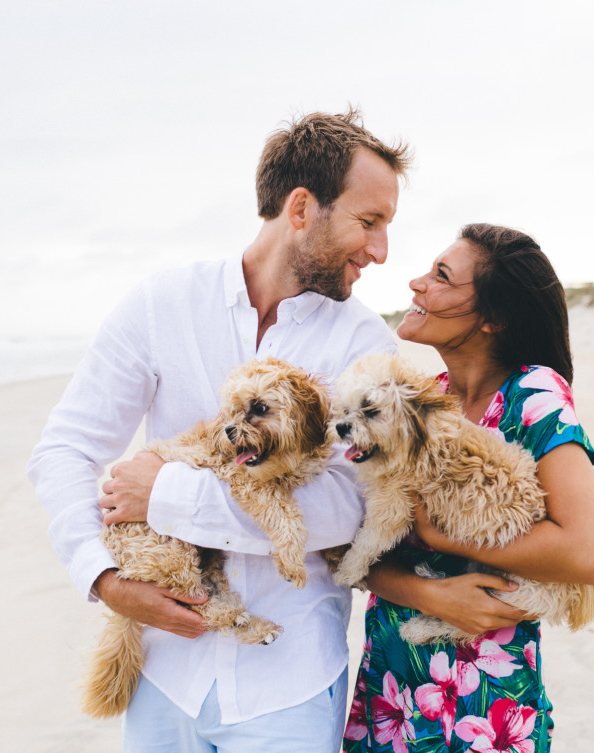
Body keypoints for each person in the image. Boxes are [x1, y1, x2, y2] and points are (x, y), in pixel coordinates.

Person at [27, 109, 411, 752]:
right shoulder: (164, 304)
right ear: (300, 208)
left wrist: (168, 497)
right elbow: (65, 448)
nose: (380, 250)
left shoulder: (364, 341)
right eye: (368, 222)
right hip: (162, 674)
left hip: (289, 680)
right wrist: (104, 578)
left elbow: (348, 506)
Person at [341, 224, 594, 753]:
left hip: (485, 704)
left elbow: (590, 554)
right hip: (393, 689)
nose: (417, 284)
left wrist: (443, 538)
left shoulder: (533, 393)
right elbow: (367, 550)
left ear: (493, 317)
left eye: (441, 276)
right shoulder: (425, 401)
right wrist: (428, 592)